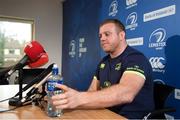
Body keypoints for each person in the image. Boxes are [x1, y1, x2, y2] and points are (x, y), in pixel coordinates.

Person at [52, 19, 155, 119]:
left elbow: (126, 93)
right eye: (100, 36)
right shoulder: (103, 62)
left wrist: (79, 98)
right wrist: (68, 100)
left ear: (121, 35)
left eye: (107, 34)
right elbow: (92, 90)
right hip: (106, 113)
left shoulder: (136, 58)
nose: (102, 38)